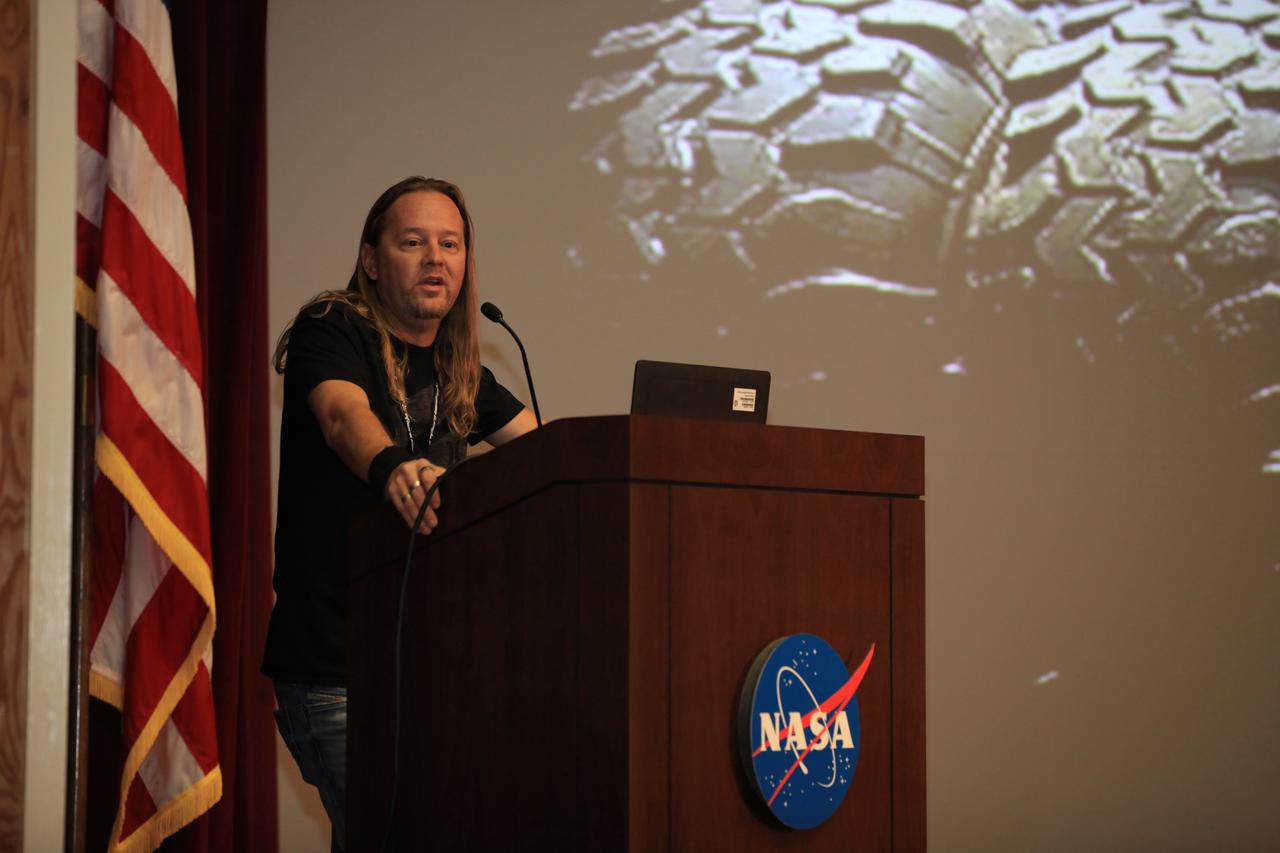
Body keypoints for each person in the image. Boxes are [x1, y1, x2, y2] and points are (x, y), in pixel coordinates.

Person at [262, 176, 537, 851]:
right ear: (372, 260)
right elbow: (339, 414)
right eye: (412, 242)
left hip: (429, 667)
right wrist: (392, 466)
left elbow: (545, 449)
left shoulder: (458, 366)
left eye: (450, 243)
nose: (435, 258)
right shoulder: (333, 328)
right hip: (337, 670)